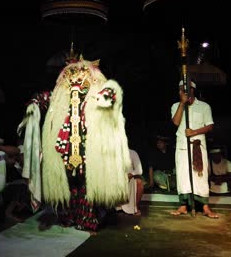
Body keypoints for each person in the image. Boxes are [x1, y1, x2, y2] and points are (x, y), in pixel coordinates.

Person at [18, 55, 132, 233]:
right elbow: (47, 98)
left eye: (81, 74)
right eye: (73, 74)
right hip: (64, 143)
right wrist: (35, 103)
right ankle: (68, 216)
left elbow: (111, 95)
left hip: (88, 142)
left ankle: (88, 219)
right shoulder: (60, 93)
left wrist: (108, 94)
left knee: (87, 183)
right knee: (66, 182)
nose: (77, 77)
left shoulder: (96, 90)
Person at [170, 80, 218, 218]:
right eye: (180, 90)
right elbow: (176, 122)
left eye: (185, 89)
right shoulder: (176, 106)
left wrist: (194, 132)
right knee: (183, 175)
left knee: (200, 176)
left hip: (197, 146)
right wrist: (182, 103)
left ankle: (205, 207)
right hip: (182, 147)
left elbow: (210, 126)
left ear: (192, 90)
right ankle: (184, 206)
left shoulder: (204, 106)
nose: (182, 92)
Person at [116, 149, 144, 216]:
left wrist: (130, 174)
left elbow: (139, 170)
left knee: (139, 182)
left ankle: (135, 207)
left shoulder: (132, 153)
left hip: (128, 179)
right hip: (115, 179)